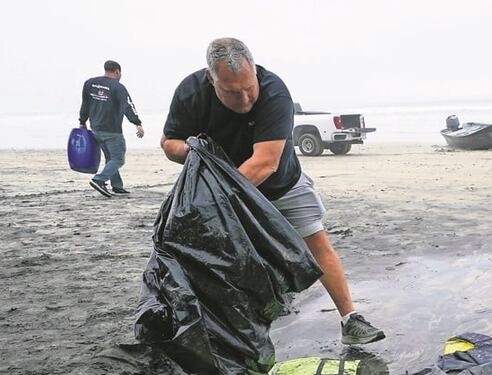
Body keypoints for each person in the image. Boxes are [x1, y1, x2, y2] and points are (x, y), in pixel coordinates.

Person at [160, 38, 384, 346]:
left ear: (255, 72)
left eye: (249, 87)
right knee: (231, 264)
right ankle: (238, 339)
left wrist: (220, 205)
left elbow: (265, 163)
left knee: (317, 244)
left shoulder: (275, 91)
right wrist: (193, 150)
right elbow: (168, 143)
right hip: (222, 192)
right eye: (232, 91)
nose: (245, 99)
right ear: (211, 80)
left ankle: (350, 319)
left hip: (280, 185)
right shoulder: (190, 92)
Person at [79, 60, 144, 196]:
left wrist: (82, 121)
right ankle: (99, 180)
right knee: (118, 159)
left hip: (95, 128)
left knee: (110, 157)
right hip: (112, 130)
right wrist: (137, 123)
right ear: (117, 72)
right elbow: (127, 106)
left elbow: (85, 103)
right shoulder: (118, 87)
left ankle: (117, 186)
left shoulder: (90, 83)